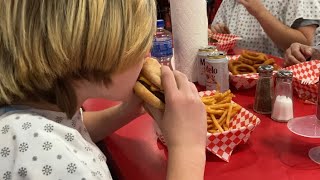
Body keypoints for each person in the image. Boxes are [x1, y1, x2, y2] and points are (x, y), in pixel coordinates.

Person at [0, 1, 207, 180]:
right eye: (140, 45)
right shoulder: (53, 164)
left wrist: (126, 112)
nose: (147, 53)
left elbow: (75, 127)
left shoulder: (38, 112)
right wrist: (188, 149)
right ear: (96, 45)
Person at [211, 0, 320, 57]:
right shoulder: (230, 2)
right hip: (233, 74)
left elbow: (305, 45)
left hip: (281, 80)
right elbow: (212, 36)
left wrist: (260, 12)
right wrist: (222, 36)